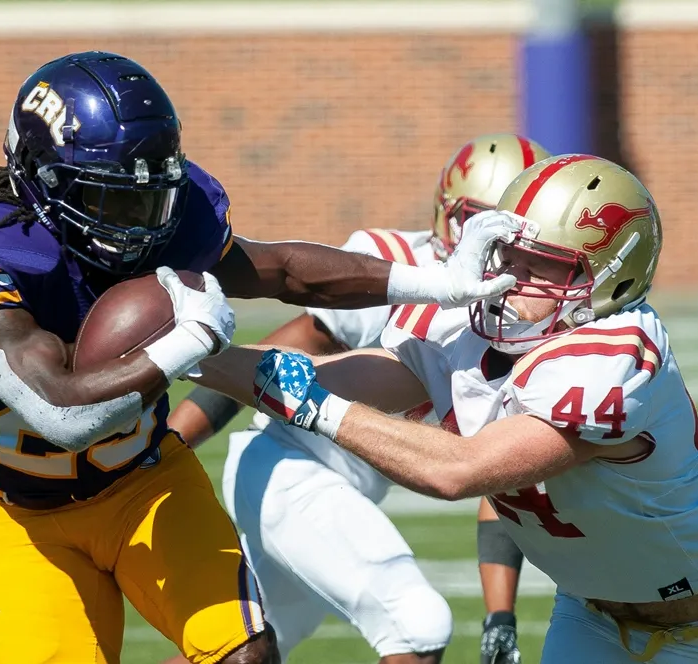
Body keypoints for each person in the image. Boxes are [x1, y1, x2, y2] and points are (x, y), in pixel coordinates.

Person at [0, 51, 514, 664]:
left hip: (145, 481)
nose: (141, 223)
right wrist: (189, 339)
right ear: (43, 179)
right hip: (32, 521)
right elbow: (63, 416)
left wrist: (438, 281)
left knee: (246, 655)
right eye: (113, 200)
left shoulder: (164, 218)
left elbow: (285, 270)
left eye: (150, 199)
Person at [190, 154, 698, 663]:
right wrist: (185, 349)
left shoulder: (615, 350)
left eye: (543, 267)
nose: (511, 279)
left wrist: (315, 407)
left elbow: (458, 471)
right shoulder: (465, 320)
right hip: (593, 619)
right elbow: (348, 375)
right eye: (508, 256)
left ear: (610, 281)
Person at [168, 134, 549, 664]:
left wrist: (499, 616)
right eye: (476, 221)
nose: (491, 248)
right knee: (416, 626)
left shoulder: (526, 315)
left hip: (339, 492)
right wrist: (169, 443)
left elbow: (501, 468)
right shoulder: (400, 266)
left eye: (507, 231)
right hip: (291, 470)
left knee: (247, 650)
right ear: (446, 213)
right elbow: (272, 365)